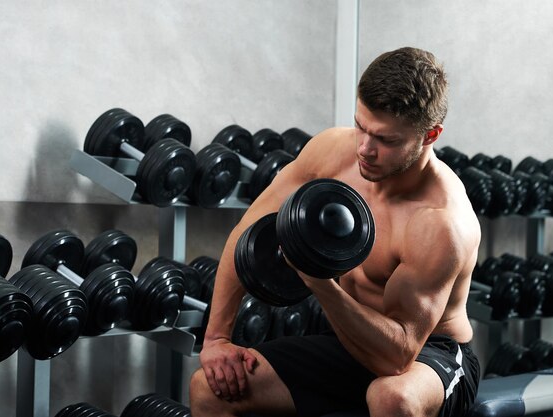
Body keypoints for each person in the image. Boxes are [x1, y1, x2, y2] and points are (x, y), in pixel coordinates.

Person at [189, 46, 481, 417]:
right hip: (348, 338)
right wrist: (217, 339)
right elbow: (249, 232)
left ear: (430, 135)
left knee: (392, 397)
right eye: (361, 126)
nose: (365, 148)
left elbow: (396, 356)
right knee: (210, 388)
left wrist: (318, 282)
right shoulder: (332, 152)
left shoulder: (440, 222)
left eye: (386, 140)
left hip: (428, 354)